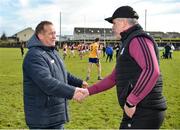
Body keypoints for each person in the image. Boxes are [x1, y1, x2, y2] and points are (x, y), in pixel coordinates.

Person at [80, 6, 167, 129]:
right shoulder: (128, 41)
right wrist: (88, 91)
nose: (112, 28)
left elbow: (152, 70)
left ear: (123, 23)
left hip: (144, 111)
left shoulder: (138, 39)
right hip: (136, 109)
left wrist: (131, 101)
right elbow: (113, 78)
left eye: (114, 23)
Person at [22, 21, 88, 129]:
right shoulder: (34, 56)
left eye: (55, 33)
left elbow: (61, 72)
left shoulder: (53, 52)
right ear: (40, 35)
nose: (55, 37)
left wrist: (79, 82)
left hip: (54, 115)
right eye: (51, 34)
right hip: (43, 118)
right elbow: (47, 82)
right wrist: (73, 92)